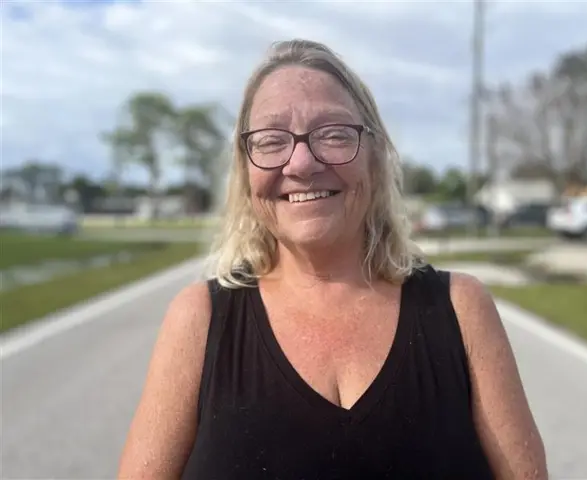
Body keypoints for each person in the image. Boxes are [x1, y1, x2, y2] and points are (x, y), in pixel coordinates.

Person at [117, 39, 548, 479]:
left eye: (334, 134)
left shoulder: (461, 309)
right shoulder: (200, 319)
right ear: (245, 172)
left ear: (376, 158)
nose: (301, 163)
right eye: (270, 140)